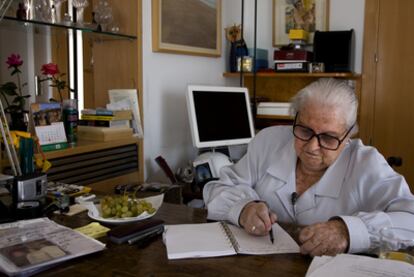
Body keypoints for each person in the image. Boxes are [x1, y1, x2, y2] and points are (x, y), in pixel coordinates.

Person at [203, 78, 414, 257]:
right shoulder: (268, 141)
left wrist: (347, 231)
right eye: (304, 131)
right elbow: (218, 189)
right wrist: (243, 209)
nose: (312, 147)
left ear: (348, 136)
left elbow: (410, 219)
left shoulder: (367, 163)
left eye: (329, 137)